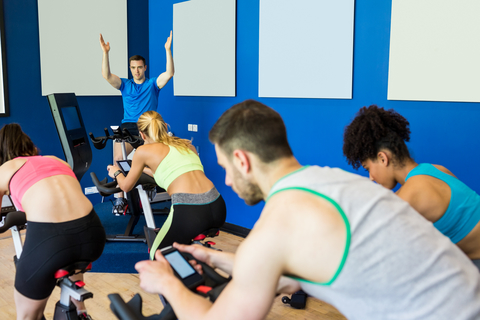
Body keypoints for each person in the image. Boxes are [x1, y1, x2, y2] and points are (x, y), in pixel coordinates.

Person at [134, 100, 480, 320]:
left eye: (225, 166)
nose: (225, 178)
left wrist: (168, 283)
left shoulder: (278, 223)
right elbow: (300, 271)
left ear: (242, 159)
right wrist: (219, 259)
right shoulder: (331, 182)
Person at [342, 105, 480, 269]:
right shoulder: (435, 169)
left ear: (382, 158)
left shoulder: (410, 195)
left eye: (368, 168)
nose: (370, 177)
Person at [0, 124, 106, 320]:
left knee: (27, 315)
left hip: (52, 240)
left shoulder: (5, 168)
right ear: (28, 145)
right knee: (72, 265)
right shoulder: (56, 160)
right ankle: (79, 309)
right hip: (93, 233)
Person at [106, 111, 226, 259]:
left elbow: (125, 187)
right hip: (217, 205)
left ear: (142, 134)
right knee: (180, 248)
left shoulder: (143, 151)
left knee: (158, 255)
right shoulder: (186, 144)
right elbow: (173, 172)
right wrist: (144, 169)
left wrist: (116, 172)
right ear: (164, 126)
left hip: (190, 211)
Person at [99, 31, 174, 215]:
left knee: (158, 156)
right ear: (131, 69)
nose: (137, 71)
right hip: (129, 127)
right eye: (133, 68)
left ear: (145, 67)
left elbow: (170, 73)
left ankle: (156, 184)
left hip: (149, 126)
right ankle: (120, 200)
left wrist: (167, 50)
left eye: (139, 67)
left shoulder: (153, 84)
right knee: (118, 158)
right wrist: (105, 52)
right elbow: (106, 75)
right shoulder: (125, 85)